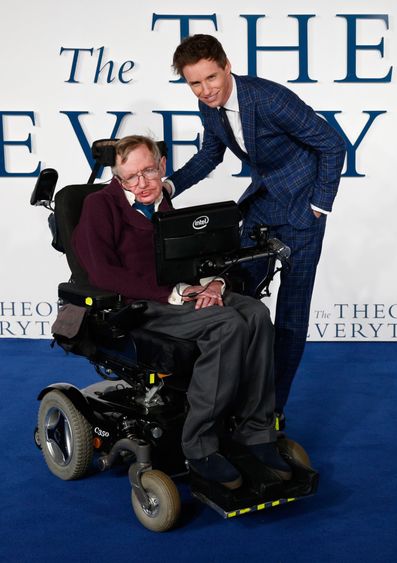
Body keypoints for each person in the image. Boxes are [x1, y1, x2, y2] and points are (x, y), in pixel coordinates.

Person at [72, 135, 291, 489]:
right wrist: (176, 292)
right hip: (140, 305)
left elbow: (194, 258)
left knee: (254, 314)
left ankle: (256, 431)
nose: (142, 183)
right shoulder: (101, 206)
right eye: (131, 177)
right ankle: (199, 446)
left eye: (148, 171)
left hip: (180, 294)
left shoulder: (165, 203)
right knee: (226, 324)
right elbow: (102, 273)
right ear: (117, 178)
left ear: (162, 167)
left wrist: (215, 284)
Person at [165, 34, 346, 424]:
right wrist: (171, 185)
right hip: (263, 202)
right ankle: (227, 394)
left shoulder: (269, 98)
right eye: (195, 83)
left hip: (302, 210)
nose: (206, 89)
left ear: (227, 66)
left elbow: (332, 144)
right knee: (232, 289)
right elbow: (210, 154)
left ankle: (271, 411)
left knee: (291, 316)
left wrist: (319, 205)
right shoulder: (208, 106)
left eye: (211, 78)